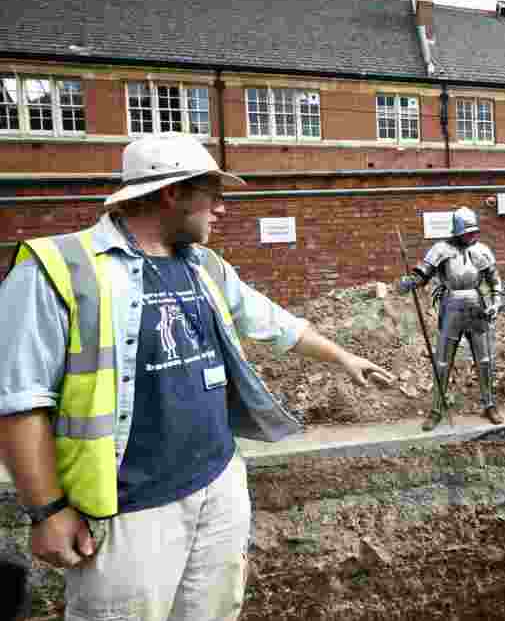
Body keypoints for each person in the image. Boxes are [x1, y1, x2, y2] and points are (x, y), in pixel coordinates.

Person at [0, 133, 393, 621]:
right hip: (131, 509)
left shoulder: (203, 265)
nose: (222, 209)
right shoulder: (57, 269)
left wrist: (343, 358)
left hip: (219, 483)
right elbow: (20, 402)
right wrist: (47, 511)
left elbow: (273, 321)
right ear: (173, 193)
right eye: (213, 193)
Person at [398, 207, 504, 431]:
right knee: (443, 361)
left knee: (484, 360)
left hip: (477, 306)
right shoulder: (440, 249)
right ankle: (436, 409)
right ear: (456, 231)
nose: (472, 235)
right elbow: (423, 273)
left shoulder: (482, 250)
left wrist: (495, 303)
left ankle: (489, 404)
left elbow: (495, 282)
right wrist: (411, 281)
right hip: (452, 306)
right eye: (467, 232)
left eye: (474, 231)